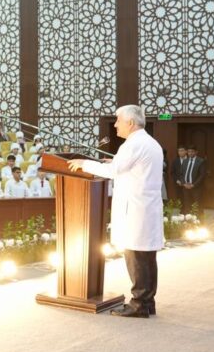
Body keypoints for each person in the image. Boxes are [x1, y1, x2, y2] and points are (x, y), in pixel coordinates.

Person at [69, 104, 163, 318]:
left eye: (118, 120)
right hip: (145, 206)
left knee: (136, 255)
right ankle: (148, 302)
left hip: (137, 209)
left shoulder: (132, 144)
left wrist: (84, 163)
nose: (116, 124)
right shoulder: (149, 142)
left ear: (130, 123)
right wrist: (115, 161)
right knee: (146, 256)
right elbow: (130, 167)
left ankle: (139, 304)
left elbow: (112, 172)